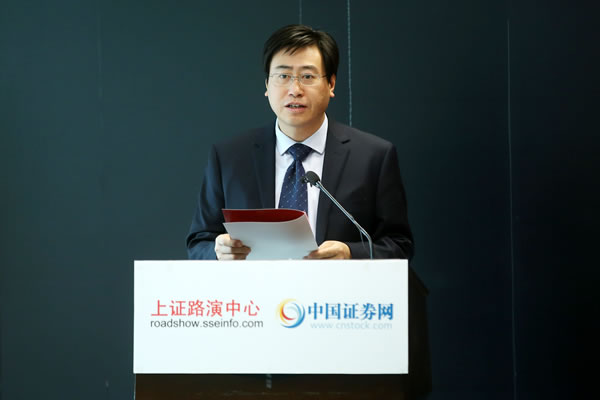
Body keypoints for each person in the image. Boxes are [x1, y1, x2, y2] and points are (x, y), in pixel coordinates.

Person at [187, 24, 413, 261]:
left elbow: (399, 246)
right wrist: (218, 252)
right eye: (283, 76)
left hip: (337, 285)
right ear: (267, 85)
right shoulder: (230, 158)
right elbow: (199, 242)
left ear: (331, 83)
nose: (295, 90)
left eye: (307, 76)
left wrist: (350, 254)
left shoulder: (373, 157)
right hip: (255, 286)